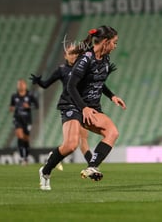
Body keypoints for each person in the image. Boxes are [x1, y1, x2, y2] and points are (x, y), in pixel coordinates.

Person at [38, 26, 126, 191]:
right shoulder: (86, 59)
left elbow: (99, 82)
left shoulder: (105, 60)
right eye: (114, 42)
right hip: (73, 104)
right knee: (71, 145)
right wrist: (83, 108)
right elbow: (71, 86)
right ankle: (45, 170)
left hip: (91, 107)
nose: (115, 46)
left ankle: (92, 166)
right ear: (105, 42)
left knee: (113, 132)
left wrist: (112, 96)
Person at [31, 45, 116, 169]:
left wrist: (109, 89)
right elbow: (46, 84)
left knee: (82, 140)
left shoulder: (85, 66)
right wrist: (39, 82)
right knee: (73, 143)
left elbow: (96, 83)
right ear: (65, 55)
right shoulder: (61, 70)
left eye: (76, 53)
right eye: (71, 53)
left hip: (84, 105)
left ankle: (90, 166)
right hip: (71, 105)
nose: (74, 56)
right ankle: (61, 159)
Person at [9, 79, 39, 165]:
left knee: (26, 139)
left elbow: (36, 105)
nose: (20, 86)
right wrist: (11, 108)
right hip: (17, 119)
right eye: (19, 84)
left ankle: (26, 156)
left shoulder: (30, 95)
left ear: (25, 85)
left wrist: (29, 106)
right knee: (20, 136)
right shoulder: (14, 96)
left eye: (22, 84)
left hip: (27, 120)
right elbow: (11, 106)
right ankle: (22, 158)